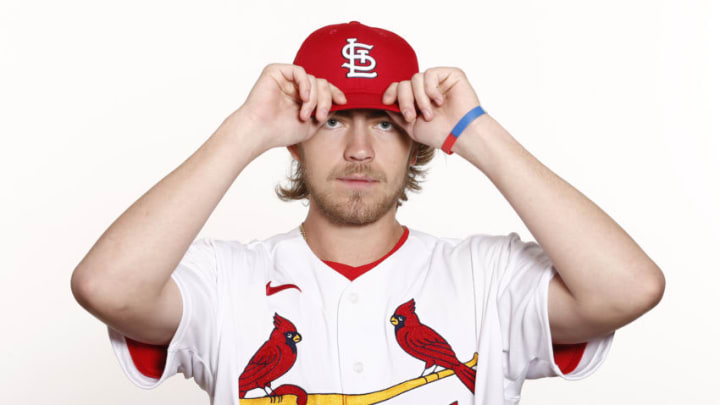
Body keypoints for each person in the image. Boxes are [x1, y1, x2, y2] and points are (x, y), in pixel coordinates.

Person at [71, 21, 665, 405]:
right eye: (333, 120)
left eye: (385, 122)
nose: (359, 150)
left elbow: (630, 288)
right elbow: (106, 287)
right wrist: (244, 130)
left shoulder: (489, 276)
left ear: (417, 140)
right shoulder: (225, 281)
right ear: (294, 137)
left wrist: (473, 131)